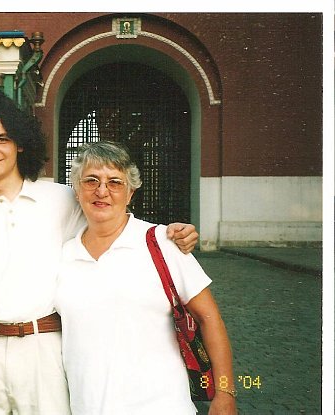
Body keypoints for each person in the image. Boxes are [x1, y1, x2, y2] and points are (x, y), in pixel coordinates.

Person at [0, 91, 199, 415]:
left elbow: (115, 224)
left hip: (46, 350)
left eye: (1, 139)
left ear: (20, 143)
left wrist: (168, 233)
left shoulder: (62, 199)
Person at [54, 141, 236, 414]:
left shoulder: (161, 243)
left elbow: (209, 318)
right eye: (91, 180)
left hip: (162, 406)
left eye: (115, 182)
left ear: (130, 193)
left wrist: (225, 394)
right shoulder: (64, 254)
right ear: (77, 191)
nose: (102, 191)